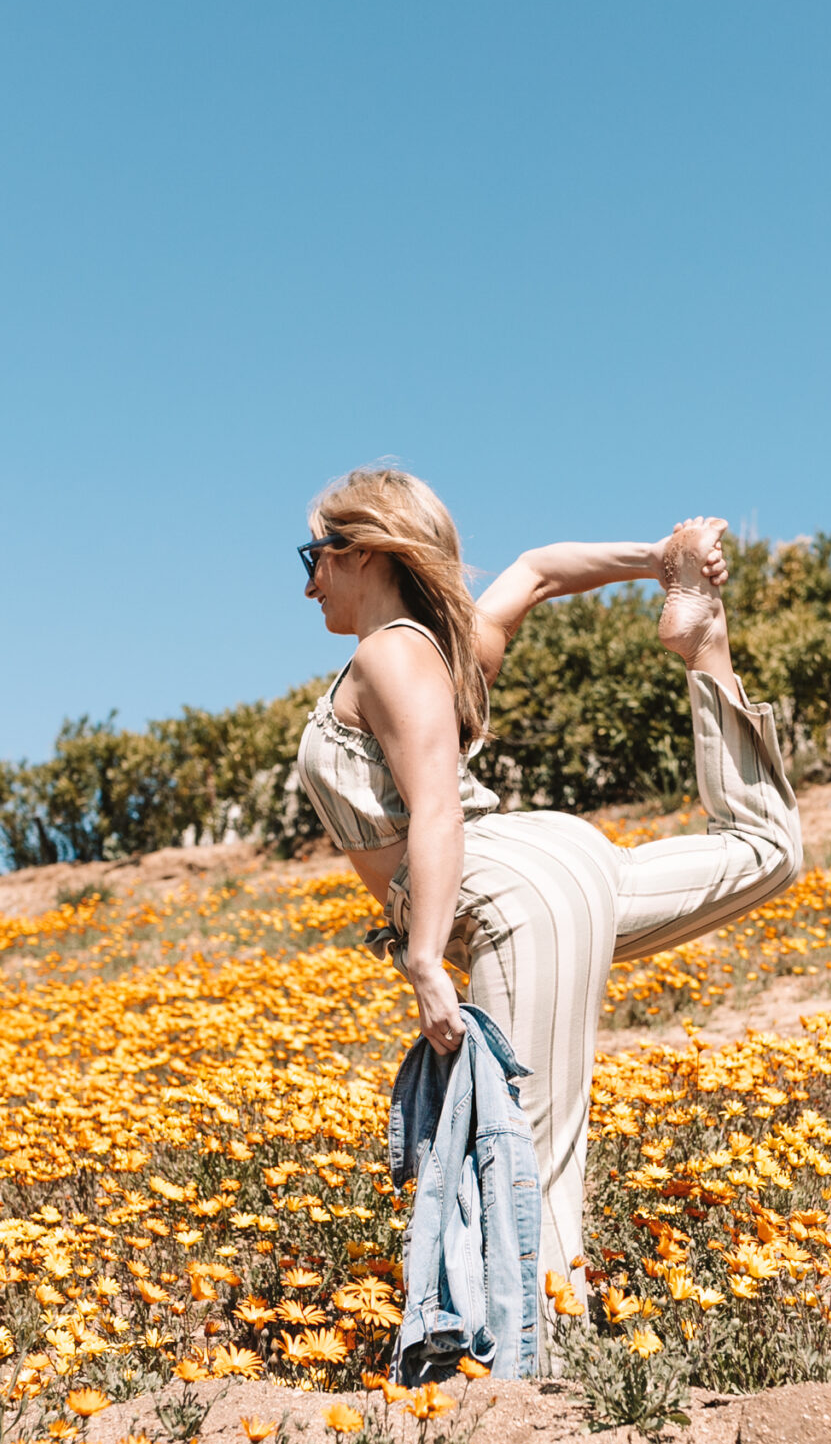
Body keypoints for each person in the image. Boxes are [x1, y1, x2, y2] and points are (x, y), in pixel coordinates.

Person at [294, 466, 802, 1358]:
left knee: (525, 1150)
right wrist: (661, 560)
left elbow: (438, 807)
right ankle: (706, 646)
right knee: (766, 852)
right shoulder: (451, 644)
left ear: (365, 551)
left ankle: (526, 1385)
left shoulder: (390, 653)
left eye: (316, 556)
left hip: (506, 886)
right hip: (559, 863)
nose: (309, 583)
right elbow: (535, 568)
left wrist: (421, 961)